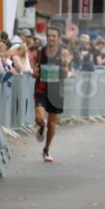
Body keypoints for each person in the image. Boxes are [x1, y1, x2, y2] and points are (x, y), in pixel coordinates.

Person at [34, 26, 72, 163]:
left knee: (52, 123)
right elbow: (36, 68)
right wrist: (35, 72)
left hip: (56, 91)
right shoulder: (40, 51)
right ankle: (41, 127)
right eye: (48, 35)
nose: (51, 38)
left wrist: (65, 65)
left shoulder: (63, 52)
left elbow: (66, 74)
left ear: (59, 38)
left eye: (53, 36)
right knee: (39, 117)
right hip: (41, 88)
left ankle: (46, 149)